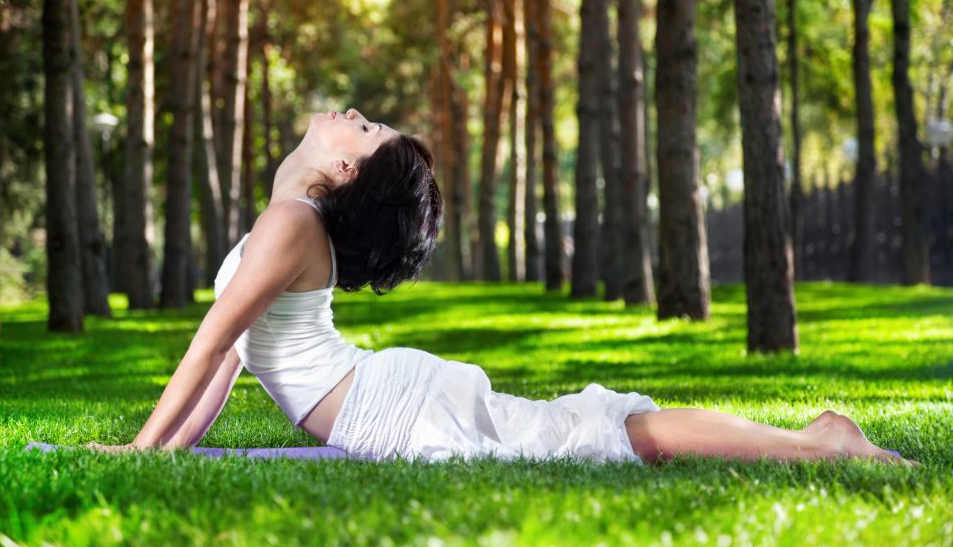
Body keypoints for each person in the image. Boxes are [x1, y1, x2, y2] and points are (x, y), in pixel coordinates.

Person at [87, 108, 907, 465]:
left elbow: (213, 341)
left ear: (342, 171)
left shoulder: (290, 224)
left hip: (396, 409)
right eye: (368, 124)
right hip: (387, 395)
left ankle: (816, 442)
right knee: (592, 432)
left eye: (365, 131)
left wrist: (138, 449)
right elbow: (225, 360)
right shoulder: (290, 218)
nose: (352, 116)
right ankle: (809, 439)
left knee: (600, 437)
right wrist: (162, 451)